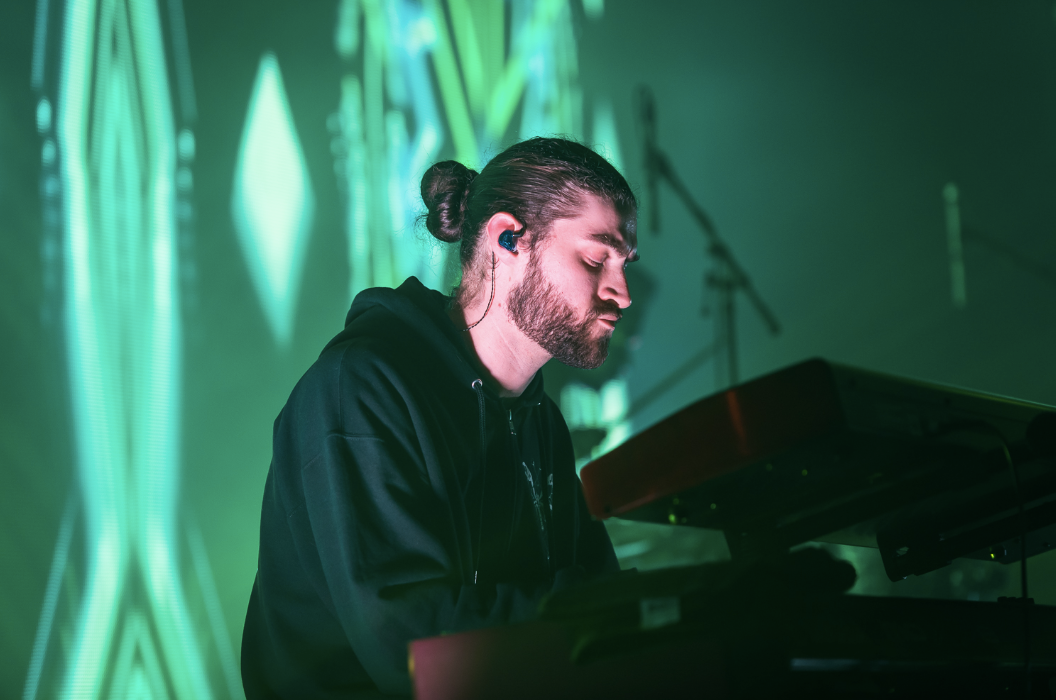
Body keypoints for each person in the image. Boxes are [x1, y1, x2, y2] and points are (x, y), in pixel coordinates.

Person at [241, 137, 639, 698]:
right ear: (508, 239)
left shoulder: (540, 420)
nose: (623, 293)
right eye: (597, 259)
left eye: (624, 264)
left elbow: (598, 594)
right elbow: (415, 647)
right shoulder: (361, 390)